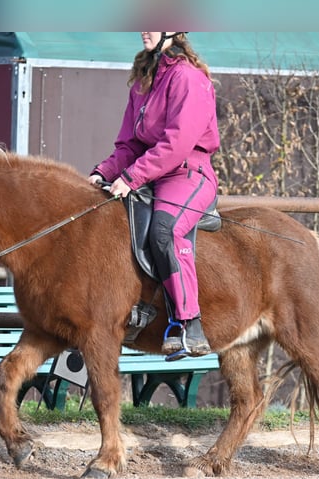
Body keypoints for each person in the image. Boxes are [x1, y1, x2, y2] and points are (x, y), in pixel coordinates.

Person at [88, 32, 220, 359]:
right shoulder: (144, 82)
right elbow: (130, 145)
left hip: (189, 172)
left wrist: (131, 177)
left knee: (165, 230)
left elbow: (177, 144)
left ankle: (189, 323)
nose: (143, 29)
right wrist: (103, 173)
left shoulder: (188, 78)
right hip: (151, 173)